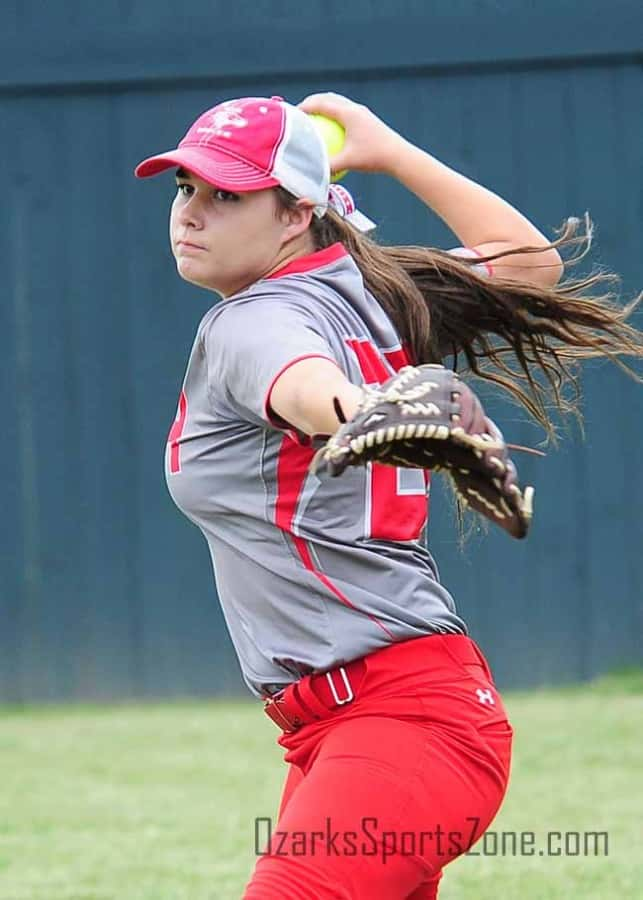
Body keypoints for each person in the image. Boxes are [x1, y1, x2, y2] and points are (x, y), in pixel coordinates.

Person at [135, 93, 643, 898]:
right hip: (376, 720)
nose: (191, 212)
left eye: (226, 194)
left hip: (398, 722)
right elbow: (526, 261)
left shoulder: (249, 322)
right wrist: (391, 150)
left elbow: (304, 388)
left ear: (297, 213)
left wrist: (357, 412)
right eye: (184, 188)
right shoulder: (374, 293)